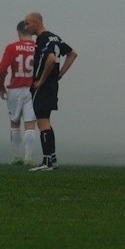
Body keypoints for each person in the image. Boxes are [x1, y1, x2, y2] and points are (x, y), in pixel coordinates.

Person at [23, 12, 77, 171]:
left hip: (43, 86)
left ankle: (47, 162)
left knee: (42, 121)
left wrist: (41, 80)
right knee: (45, 120)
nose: (26, 28)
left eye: (28, 24)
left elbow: (51, 59)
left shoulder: (43, 39)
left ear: (37, 23)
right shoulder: (55, 37)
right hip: (53, 85)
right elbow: (72, 53)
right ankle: (52, 159)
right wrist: (60, 74)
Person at [0, 20, 37, 165]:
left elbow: (2, 69)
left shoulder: (12, 47)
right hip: (32, 89)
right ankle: (29, 158)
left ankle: (17, 156)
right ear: (31, 33)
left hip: (15, 89)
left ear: (18, 32)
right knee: (30, 124)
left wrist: (1, 87)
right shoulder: (37, 47)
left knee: (15, 123)